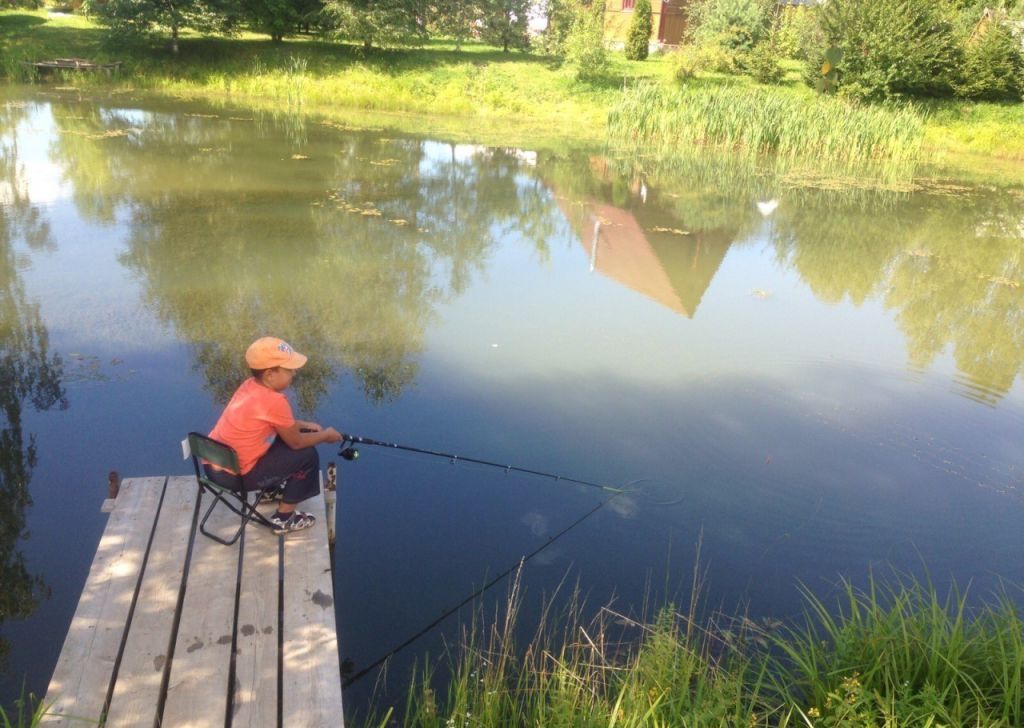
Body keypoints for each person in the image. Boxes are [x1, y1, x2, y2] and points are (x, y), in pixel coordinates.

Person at [205, 337, 343, 534]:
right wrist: (326, 435)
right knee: (308, 456)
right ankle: (284, 518)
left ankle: (270, 491)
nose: (294, 373)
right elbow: (295, 443)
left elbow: (276, 423)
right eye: (289, 370)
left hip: (214, 463)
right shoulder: (274, 401)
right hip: (235, 476)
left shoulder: (250, 386)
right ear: (270, 374)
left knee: (288, 437)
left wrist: (303, 424)